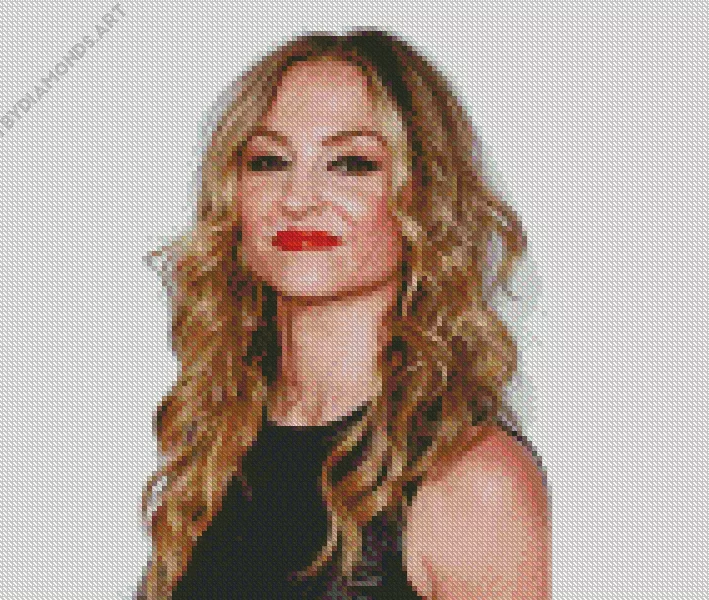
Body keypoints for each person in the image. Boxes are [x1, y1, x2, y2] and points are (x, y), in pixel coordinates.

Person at [138, 29, 550, 599]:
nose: (298, 198)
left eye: (351, 163)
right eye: (269, 161)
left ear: (425, 197)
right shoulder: (216, 449)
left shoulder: (473, 480)